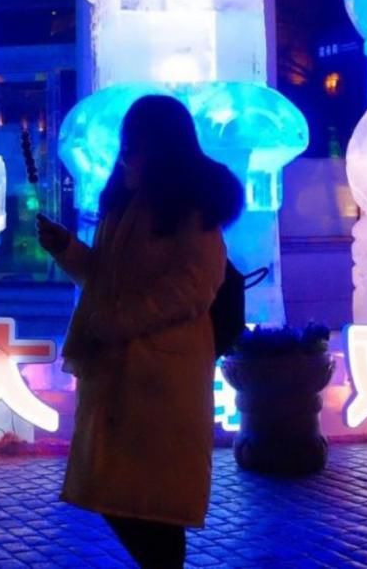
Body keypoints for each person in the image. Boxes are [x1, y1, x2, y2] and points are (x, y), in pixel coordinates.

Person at [37, 95, 243, 569]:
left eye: (141, 139)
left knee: (152, 502)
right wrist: (67, 248)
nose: (130, 148)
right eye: (128, 138)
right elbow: (106, 275)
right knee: (122, 493)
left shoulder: (190, 208)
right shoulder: (129, 199)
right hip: (122, 373)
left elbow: (194, 285)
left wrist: (118, 321)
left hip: (160, 376)